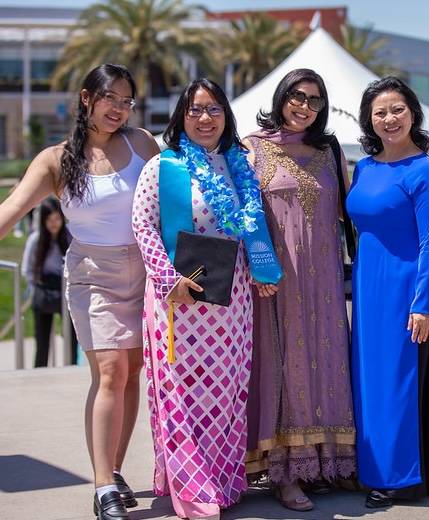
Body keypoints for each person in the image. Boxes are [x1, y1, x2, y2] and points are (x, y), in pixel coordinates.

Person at [0, 63, 160, 520]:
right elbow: (13, 207)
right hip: (92, 272)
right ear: (88, 97)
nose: (120, 108)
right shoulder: (56, 159)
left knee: (132, 372)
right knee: (110, 370)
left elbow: (177, 189)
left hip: (144, 268)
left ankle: (114, 467)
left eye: (127, 101)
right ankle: (103, 485)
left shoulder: (142, 143)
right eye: (112, 98)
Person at [132, 78, 268, 520]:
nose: (205, 118)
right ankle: (191, 487)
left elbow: (251, 226)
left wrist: (265, 269)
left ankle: (224, 480)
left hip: (231, 301)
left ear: (226, 115)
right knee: (181, 389)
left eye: (213, 109)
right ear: (181, 116)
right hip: (179, 300)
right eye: (195, 110)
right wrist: (167, 277)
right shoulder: (164, 166)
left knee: (225, 392)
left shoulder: (240, 166)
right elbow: (143, 225)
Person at [242, 68, 356, 512]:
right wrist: (256, 264)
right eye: (296, 96)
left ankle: (332, 462)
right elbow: (244, 215)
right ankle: (285, 472)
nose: (304, 106)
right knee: (284, 363)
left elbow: (351, 215)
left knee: (327, 359)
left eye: (314, 100)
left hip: (324, 277)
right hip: (277, 281)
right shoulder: (253, 148)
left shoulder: (330, 152)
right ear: (281, 97)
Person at [346, 76, 429, 509]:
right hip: (368, 290)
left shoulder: (424, 171)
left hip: (408, 289)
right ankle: (372, 466)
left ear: (413, 113)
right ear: (369, 120)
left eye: (397, 110)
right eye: (380, 112)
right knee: (369, 380)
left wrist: (422, 304)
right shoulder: (364, 167)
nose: (389, 119)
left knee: (398, 382)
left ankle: (401, 477)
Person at [21, 196, 78, 367]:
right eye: (49, 220)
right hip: (44, 289)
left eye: (57, 219)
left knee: (71, 336)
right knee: (42, 338)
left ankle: (71, 365)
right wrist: (35, 286)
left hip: (65, 289)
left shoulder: (69, 236)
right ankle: (40, 368)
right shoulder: (36, 240)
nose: (54, 224)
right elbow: (27, 269)